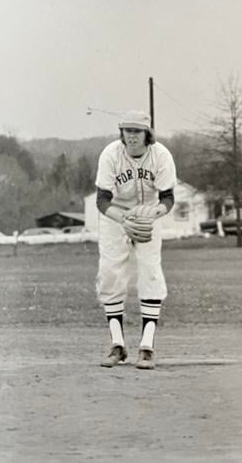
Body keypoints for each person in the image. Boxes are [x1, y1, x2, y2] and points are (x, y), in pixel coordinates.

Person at [95, 110, 177, 370]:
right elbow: (101, 200)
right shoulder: (110, 154)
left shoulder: (161, 155)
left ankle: (147, 347)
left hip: (148, 215)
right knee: (110, 275)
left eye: (136, 131)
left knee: (150, 273)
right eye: (127, 131)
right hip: (115, 216)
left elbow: (168, 197)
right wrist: (122, 219)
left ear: (147, 134)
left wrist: (155, 212)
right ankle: (117, 345)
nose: (131, 136)